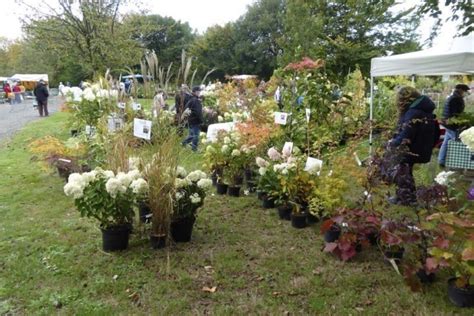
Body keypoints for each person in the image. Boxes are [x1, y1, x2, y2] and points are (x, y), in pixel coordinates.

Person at [388, 86, 440, 205]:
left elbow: (406, 134)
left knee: (402, 172)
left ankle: (406, 199)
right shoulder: (423, 109)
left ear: (403, 99)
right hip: (421, 147)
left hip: (411, 148)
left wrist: (392, 143)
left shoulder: (413, 112)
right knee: (406, 171)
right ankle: (408, 197)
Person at [438, 83, 471, 167]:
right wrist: (463, 121)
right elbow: (456, 114)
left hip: (448, 124)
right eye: (464, 91)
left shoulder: (451, 97)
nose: (465, 93)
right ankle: (455, 163)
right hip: (453, 125)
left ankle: (441, 160)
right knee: (457, 143)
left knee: (446, 142)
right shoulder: (456, 99)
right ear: (460, 90)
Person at [181, 86, 203, 151]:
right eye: (198, 91)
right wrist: (201, 120)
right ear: (195, 92)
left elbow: (186, 109)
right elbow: (198, 112)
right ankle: (194, 148)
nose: (199, 92)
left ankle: (183, 143)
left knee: (191, 135)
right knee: (196, 135)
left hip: (190, 120)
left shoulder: (191, 99)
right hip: (195, 120)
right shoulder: (195, 100)